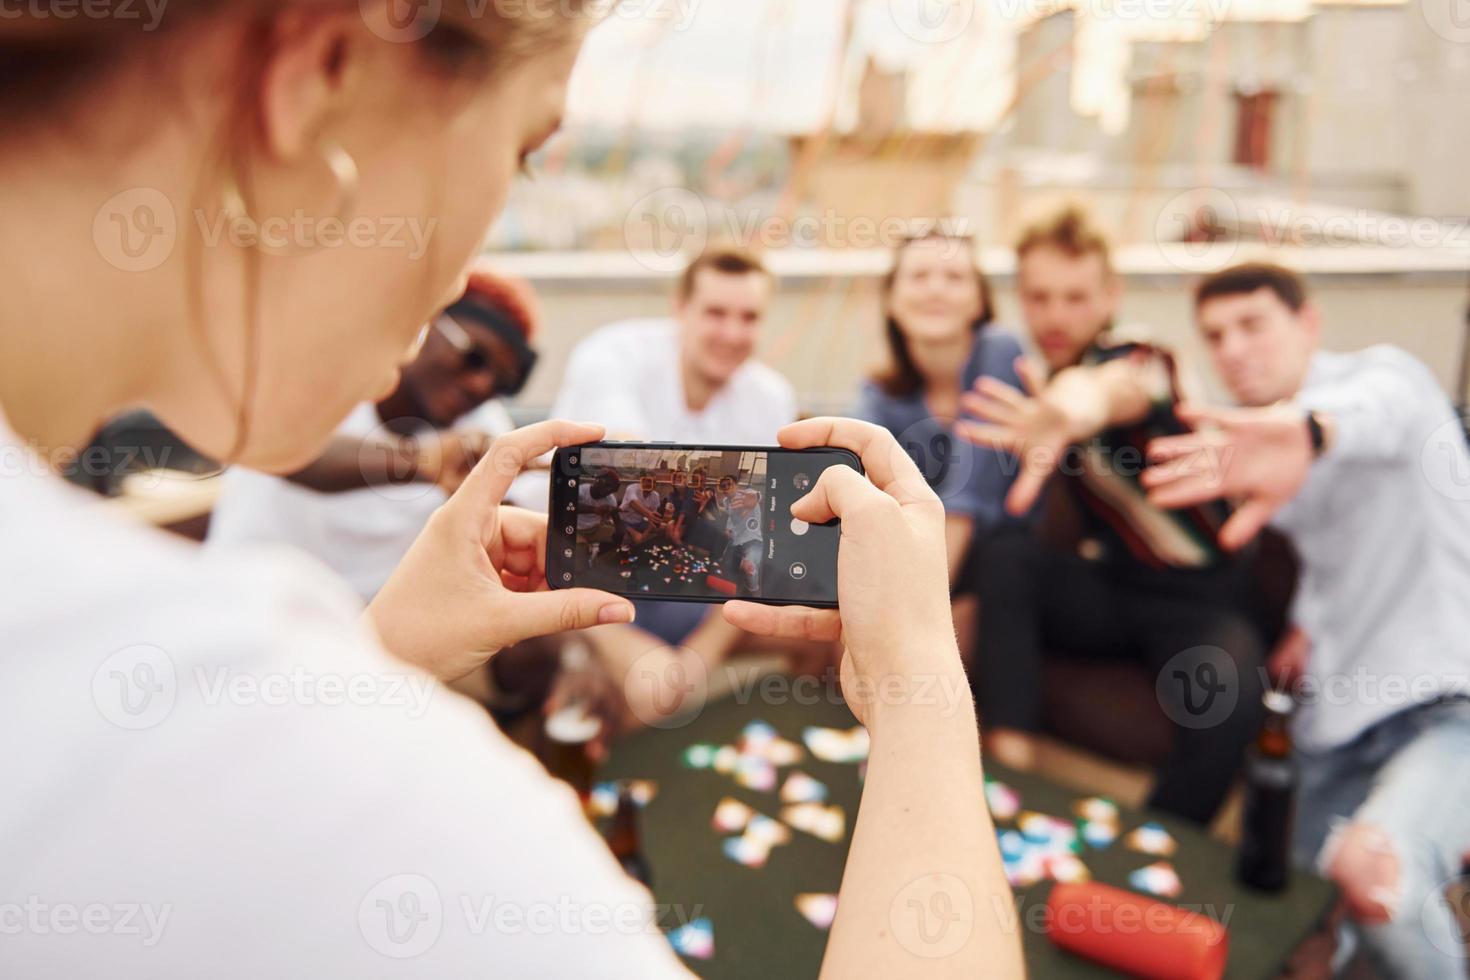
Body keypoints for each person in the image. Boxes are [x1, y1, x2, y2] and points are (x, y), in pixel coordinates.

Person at [0, 7, 1024, 978]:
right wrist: (919, 677)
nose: (465, 283)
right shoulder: (391, 808)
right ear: (322, 77)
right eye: (526, 148)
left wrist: (379, 653)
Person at [1142, 262, 1470, 977]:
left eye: (1252, 324)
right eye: (1215, 336)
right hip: (1334, 728)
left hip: (1450, 706)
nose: (1232, 349)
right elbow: (1335, 551)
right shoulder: (1265, 469)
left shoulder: (1387, 381)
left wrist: (1309, 429)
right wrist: (1307, 623)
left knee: (1372, 876)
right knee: (1291, 935)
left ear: (1310, 324)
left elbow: (1372, 415)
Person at [960, 207, 1266, 826]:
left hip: (1202, 598)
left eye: (1075, 297)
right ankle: (1010, 769)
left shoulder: (1142, 354)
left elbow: (1113, 389)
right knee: (1005, 556)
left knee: (1228, 697)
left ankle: (1153, 846)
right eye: (1039, 297)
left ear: (1110, 296)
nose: (1055, 316)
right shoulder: (1035, 377)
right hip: (1117, 586)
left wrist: (1072, 409)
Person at [542, 248, 821, 717]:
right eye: (716, 313)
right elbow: (627, 478)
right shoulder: (614, 354)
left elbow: (757, 547)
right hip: (573, 569)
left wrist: (700, 655)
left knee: (827, 630)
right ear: (680, 308)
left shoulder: (769, 395)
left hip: (687, 577)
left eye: (749, 317)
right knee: (641, 693)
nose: (732, 334)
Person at [206, 264, 538, 600]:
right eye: (474, 358)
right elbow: (287, 452)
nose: (482, 384)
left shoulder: (483, 426)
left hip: (363, 634)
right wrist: (423, 461)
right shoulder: (329, 370)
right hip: (245, 603)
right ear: (424, 323)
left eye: (502, 381)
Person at [853, 231, 1025, 600]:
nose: (936, 290)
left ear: (980, 301)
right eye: (918, 276)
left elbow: (965, 506)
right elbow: (860, 500)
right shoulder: (879, 395)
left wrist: (912, 614)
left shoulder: (1000, 351)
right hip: (919, 563)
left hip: (999, 574)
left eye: (955, 278)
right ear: (890, 300)